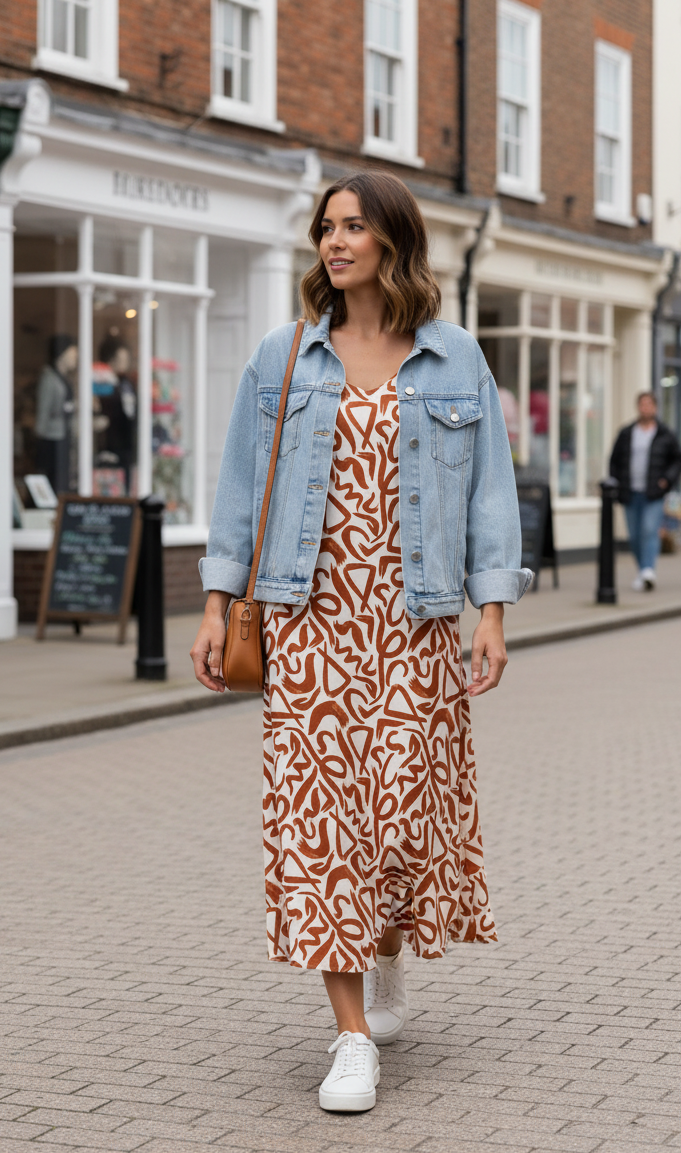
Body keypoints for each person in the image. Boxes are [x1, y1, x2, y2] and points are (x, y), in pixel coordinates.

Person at [190, 171, 531, 1113]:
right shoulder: (284, 355)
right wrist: (220, 604)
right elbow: (236, 484)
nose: (334, 243)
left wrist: (491, 611)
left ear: (392, 241)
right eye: (325, 228)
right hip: (309, 624)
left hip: (415, 625)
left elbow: (490, 493)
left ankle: (385, 952)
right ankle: (348, 1040)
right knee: (320, 825)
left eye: (353, 227)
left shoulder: (455, 357)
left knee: (400, 820)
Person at [609, 391, 681, 591]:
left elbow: (679, 460)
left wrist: (666, 480)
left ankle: (648, 570)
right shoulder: (626, 433)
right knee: (634, 536)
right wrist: (616, 484)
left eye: (649, 405)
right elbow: (614, 461)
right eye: (642, 405)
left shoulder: (664, 433)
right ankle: (642, 570)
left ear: (655, 408)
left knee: (649, 530)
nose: (645, 408)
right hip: (630, 491)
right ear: (638, 408)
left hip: (653, 492)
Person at [35, 334, 77, 494]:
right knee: (52, 479)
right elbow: (43, 410)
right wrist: (40, 438)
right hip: (51, 439)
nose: (75, 358)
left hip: (64, 435)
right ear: (62, 354)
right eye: (72, 354)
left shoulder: (66, 378)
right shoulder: (49, 378)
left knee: (63, 479)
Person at [96, 335, 137, 493]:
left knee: (126, 480)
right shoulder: (103, 382)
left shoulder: (126, 383)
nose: (125, 363)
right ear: (111, 360)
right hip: (111, 440)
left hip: (128, 441)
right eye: (121, 358)